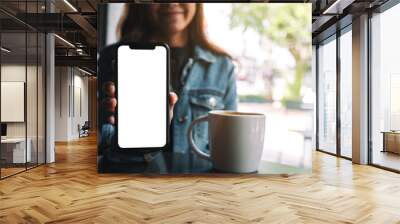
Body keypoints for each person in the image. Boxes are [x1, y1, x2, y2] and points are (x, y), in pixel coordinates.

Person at [98, 3, 237, 162]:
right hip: (132, 178)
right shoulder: (112, 58)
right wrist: (105, 128)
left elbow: (230, 142)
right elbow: (100, 143)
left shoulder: (222, 66)